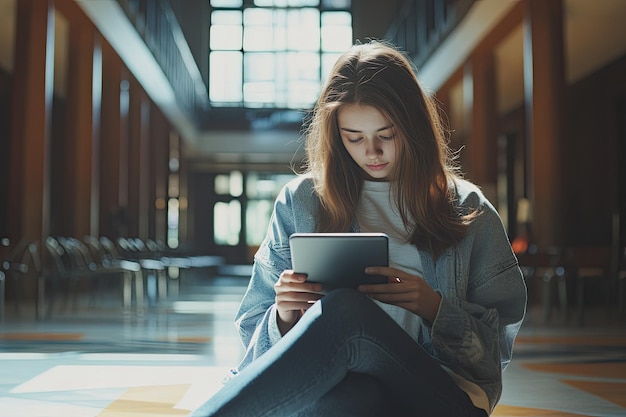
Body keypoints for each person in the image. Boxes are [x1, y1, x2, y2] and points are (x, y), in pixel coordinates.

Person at [191, 40, 527, 417]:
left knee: (347, 312)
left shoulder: (466, 209)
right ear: (336, 137)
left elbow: (495, 352)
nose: (372, 152)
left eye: (386, 134)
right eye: (355, 138)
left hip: (442, 397)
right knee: (351, 399)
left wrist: (434, 309)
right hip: (347, 392)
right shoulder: (301, 203)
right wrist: (284, 317)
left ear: (413, 126)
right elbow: (255, 330)